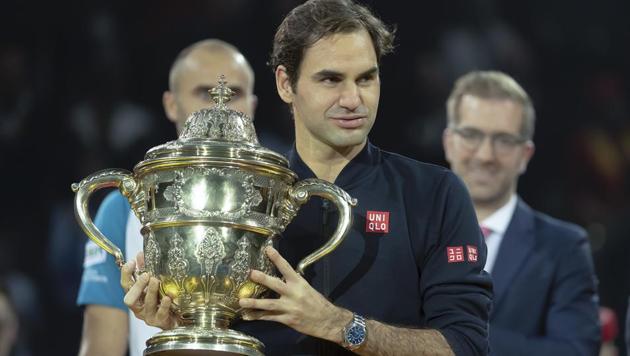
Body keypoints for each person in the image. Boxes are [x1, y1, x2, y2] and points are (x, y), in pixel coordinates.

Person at [122, 1, 493, 355]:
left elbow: (465, 346)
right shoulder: (241, 194)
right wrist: (182, 326)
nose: (353, 98)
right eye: (330, 79)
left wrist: (340, 325)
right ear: (286, 84)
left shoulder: (434, 194)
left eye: (366, 78)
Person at [76, 39, 258, 356]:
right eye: (204, 93)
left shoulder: (277, 202)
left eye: (236, 94)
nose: (221, 105)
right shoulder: (124, 207)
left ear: (253, 105)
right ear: (171, 104)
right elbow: (100, 348)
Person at [442, 70, 601, 355]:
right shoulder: (409, 235)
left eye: (503, 140)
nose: (486, 155)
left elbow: (576, 351)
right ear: (448, 142)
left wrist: (457, 338)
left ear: (525, 155)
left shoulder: (564, 248)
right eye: (471, 135)